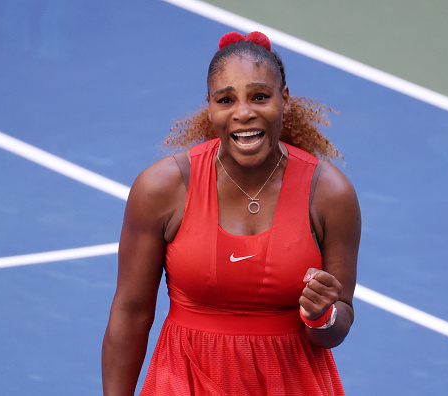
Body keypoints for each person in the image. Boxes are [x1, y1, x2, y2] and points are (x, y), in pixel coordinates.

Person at [102, 31, 361, 396]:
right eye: (226, 100)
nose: (243, 112)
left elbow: (337, 325)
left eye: (260, 96)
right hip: (185, 383)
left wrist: (323, 316)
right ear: (209, 106)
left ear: (284, 100)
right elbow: (130, 313)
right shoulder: (161, 188)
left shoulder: (331, 195)